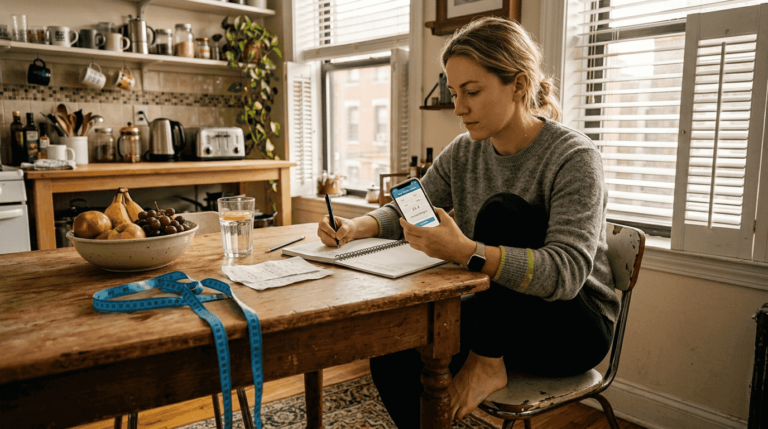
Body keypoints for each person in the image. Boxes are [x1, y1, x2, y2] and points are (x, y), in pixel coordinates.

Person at [316, 16, 617, 427]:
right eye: (454, 93)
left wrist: (466, 252)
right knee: (392, 347)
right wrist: (355, 227)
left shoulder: (574, 157)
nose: (459, 108)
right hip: (501, 318)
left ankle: (486, 362)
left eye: (472, 92)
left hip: (571, 329)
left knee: (502, 212)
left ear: (519, 85)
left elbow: (565, 276)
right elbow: (412, 206)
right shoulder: (464, 151)